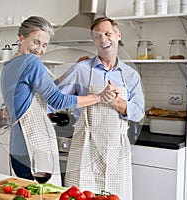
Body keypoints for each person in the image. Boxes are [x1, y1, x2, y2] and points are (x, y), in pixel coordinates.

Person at [0, 16, 116, 186]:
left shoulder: (8, 65)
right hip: (32, 149)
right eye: (36, 42)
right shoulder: (31, 62)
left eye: (45, 45)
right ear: (21, 38)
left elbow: (42, 94)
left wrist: (71, 71)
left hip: (17, 149)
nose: (39, 50)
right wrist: (99, 97)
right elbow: (58, 100)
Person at [51, 17, 145, 199]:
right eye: (97, 36)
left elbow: (139, 112)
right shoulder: (81, 69)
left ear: (118, 36)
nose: (103, 39)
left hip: (116, 148)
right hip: (85, 146)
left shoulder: (131, 75)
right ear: (94, 41)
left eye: (107, 34)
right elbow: (55, 99)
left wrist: (116, 102)